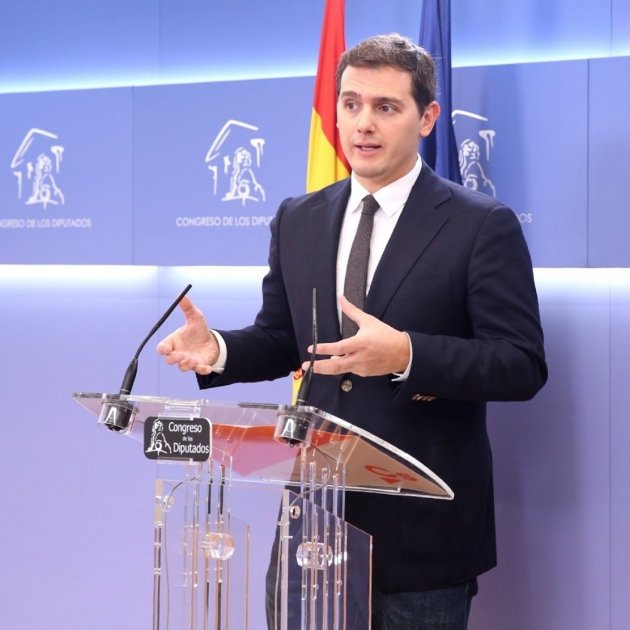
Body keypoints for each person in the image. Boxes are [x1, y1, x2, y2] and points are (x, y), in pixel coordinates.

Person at [157, 33, 547, 630]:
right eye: (351, 104)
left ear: (427, 118)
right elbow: (286, 339)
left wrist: (407, 354)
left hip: (421, 536)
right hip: (312, 524)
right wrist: (220, 350)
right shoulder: (299, 217)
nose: (364, 123)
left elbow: (520, 364)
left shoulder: (480, 224)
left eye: (386, 107)